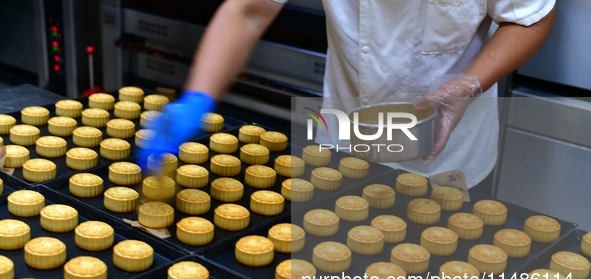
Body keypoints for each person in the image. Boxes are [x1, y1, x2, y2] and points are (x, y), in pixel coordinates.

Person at [146, 0, 555, 188]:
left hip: (451, 160)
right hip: (341, 151)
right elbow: (248, 10)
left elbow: (529, 18)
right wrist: (197, 97)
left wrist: (467, 85)